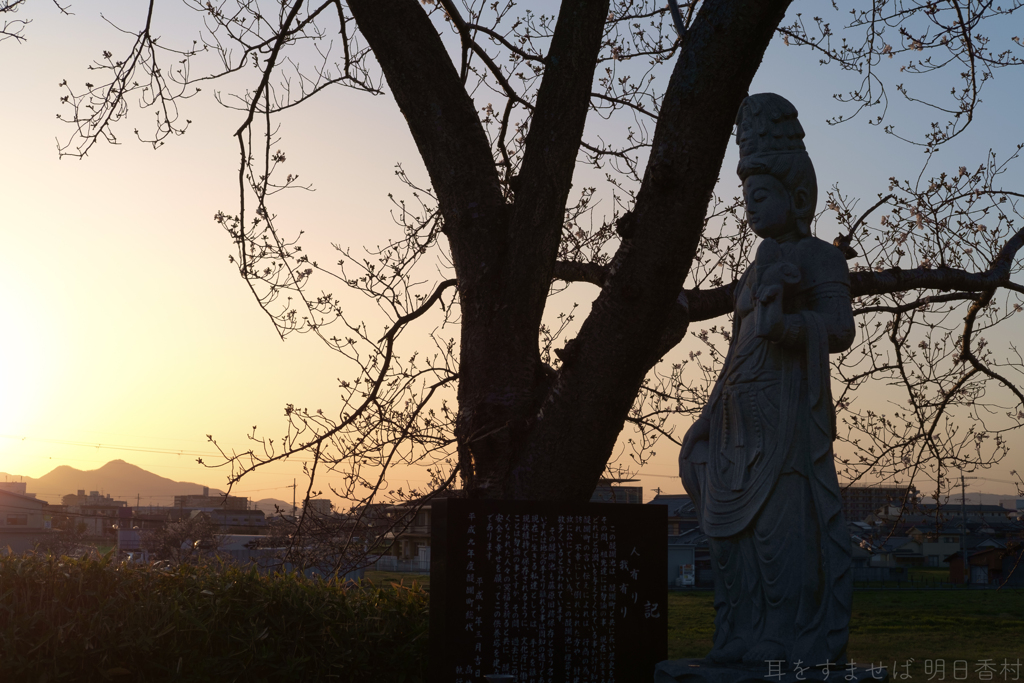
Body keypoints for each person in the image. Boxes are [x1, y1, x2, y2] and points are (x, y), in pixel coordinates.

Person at [679, 93, 855, 667]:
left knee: (779, 532)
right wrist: (706, 418)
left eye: (761, 196)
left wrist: (788, 327)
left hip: (785, 413)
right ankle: (738, 631)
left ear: (796, 197)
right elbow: (736, 352)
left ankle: (783, 636)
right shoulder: (753, 271)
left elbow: (839, 329)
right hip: (735, 418)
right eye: (746, 199)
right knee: (727, 534)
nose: (751, 209)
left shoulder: (820, 257)